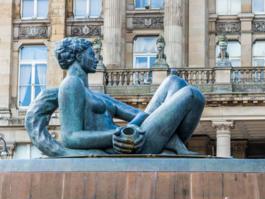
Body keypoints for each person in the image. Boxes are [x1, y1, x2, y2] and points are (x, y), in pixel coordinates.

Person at [26, 37, 205, 156]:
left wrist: (133, 128)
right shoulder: (71, 85)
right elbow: (70, 137)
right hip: (123, 148)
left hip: (132, 138)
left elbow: (139, 115)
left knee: (174, 81)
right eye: (91, 54)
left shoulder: (95, 94)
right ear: (79, 56)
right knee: (192, 95)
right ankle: (171, 144)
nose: (96, 58)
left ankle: (170, 143)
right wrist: (116, 135)